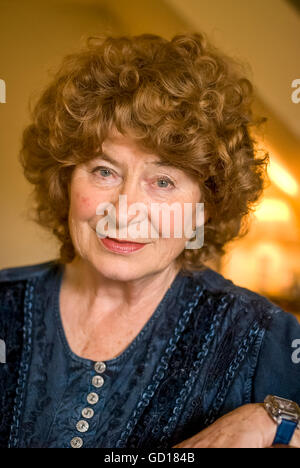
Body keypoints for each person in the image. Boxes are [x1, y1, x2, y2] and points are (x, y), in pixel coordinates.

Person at [0, 32, 299, 449]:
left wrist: (271, 420)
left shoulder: (263, 335)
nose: (125, 210)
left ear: (205, 205)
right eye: (104, 171)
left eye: (162, 181)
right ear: (66, 179)